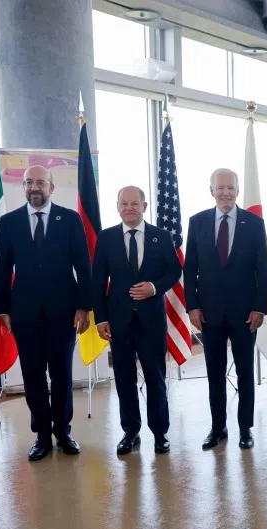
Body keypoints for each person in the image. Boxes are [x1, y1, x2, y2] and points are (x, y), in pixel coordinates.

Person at [0, 165, 91, 461]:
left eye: (40, 182)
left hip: (64, 312)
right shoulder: (9, 222)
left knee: (62, 375)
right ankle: (41, 435)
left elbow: (83, 266)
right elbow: (2, 269)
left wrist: (84, 306)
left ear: (51, 186)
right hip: (24, 314)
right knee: (33, 375)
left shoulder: (70, 219)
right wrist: (3, 309)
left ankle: (63, 431)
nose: (34, 187)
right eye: (29, 182)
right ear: (23, 187)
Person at [184, 168, 267, 450]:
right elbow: (190, 268)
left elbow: (263, 269)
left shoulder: (254, 223)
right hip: (209, 313)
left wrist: (259, 308)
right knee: (214, 372)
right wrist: (192, 306)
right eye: (220, 188)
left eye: (230, 187)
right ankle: (218, 427)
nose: (225, 193)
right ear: (211, 191)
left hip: (245, 314)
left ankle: (245, 428)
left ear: (237, 190)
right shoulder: (197, 222)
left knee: (245, 372)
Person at [92, 186, 181, 455]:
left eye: (134, 203)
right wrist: (100, 319)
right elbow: (98, 282)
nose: (129, 208)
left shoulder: (161, 236)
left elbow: (174, 271)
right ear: (117, 207)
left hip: (151, 320)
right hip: (118, 322)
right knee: (124, 378)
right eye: (124, 203)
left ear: (144, 206)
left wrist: (154, 287)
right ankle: (130, 432)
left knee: (155, 377)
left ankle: (160, 432)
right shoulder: (106, 238)